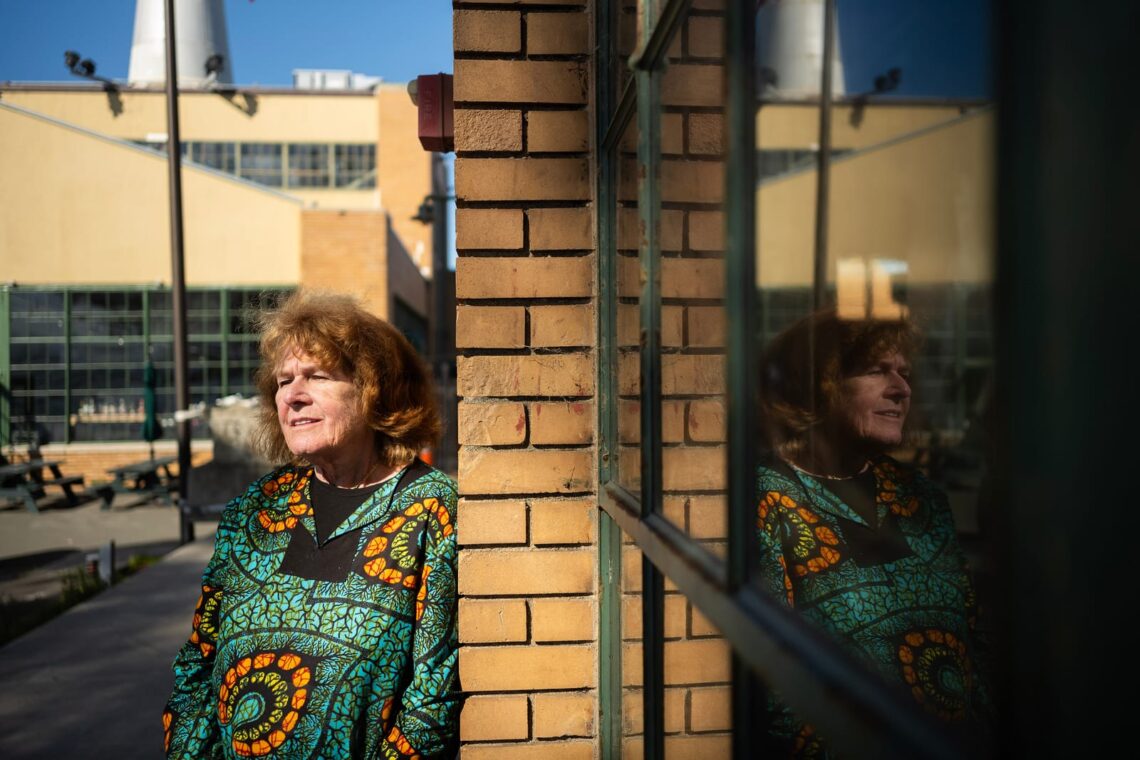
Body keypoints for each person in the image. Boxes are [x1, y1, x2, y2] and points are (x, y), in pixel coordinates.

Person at [163, 291, 459, 759]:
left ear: (373, 389)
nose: (294, 396)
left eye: (316, 377)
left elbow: (432, 699)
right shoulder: (256, 509)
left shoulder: (430, 509)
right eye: (284, 382)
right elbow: (196, 667)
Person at [755, 309, 990, 756]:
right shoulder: (767, 498)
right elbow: (773, 671)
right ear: (817, 386)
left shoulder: (921, 496)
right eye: (876, 372)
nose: (901, 390)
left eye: (904, 374)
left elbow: (974, 641)